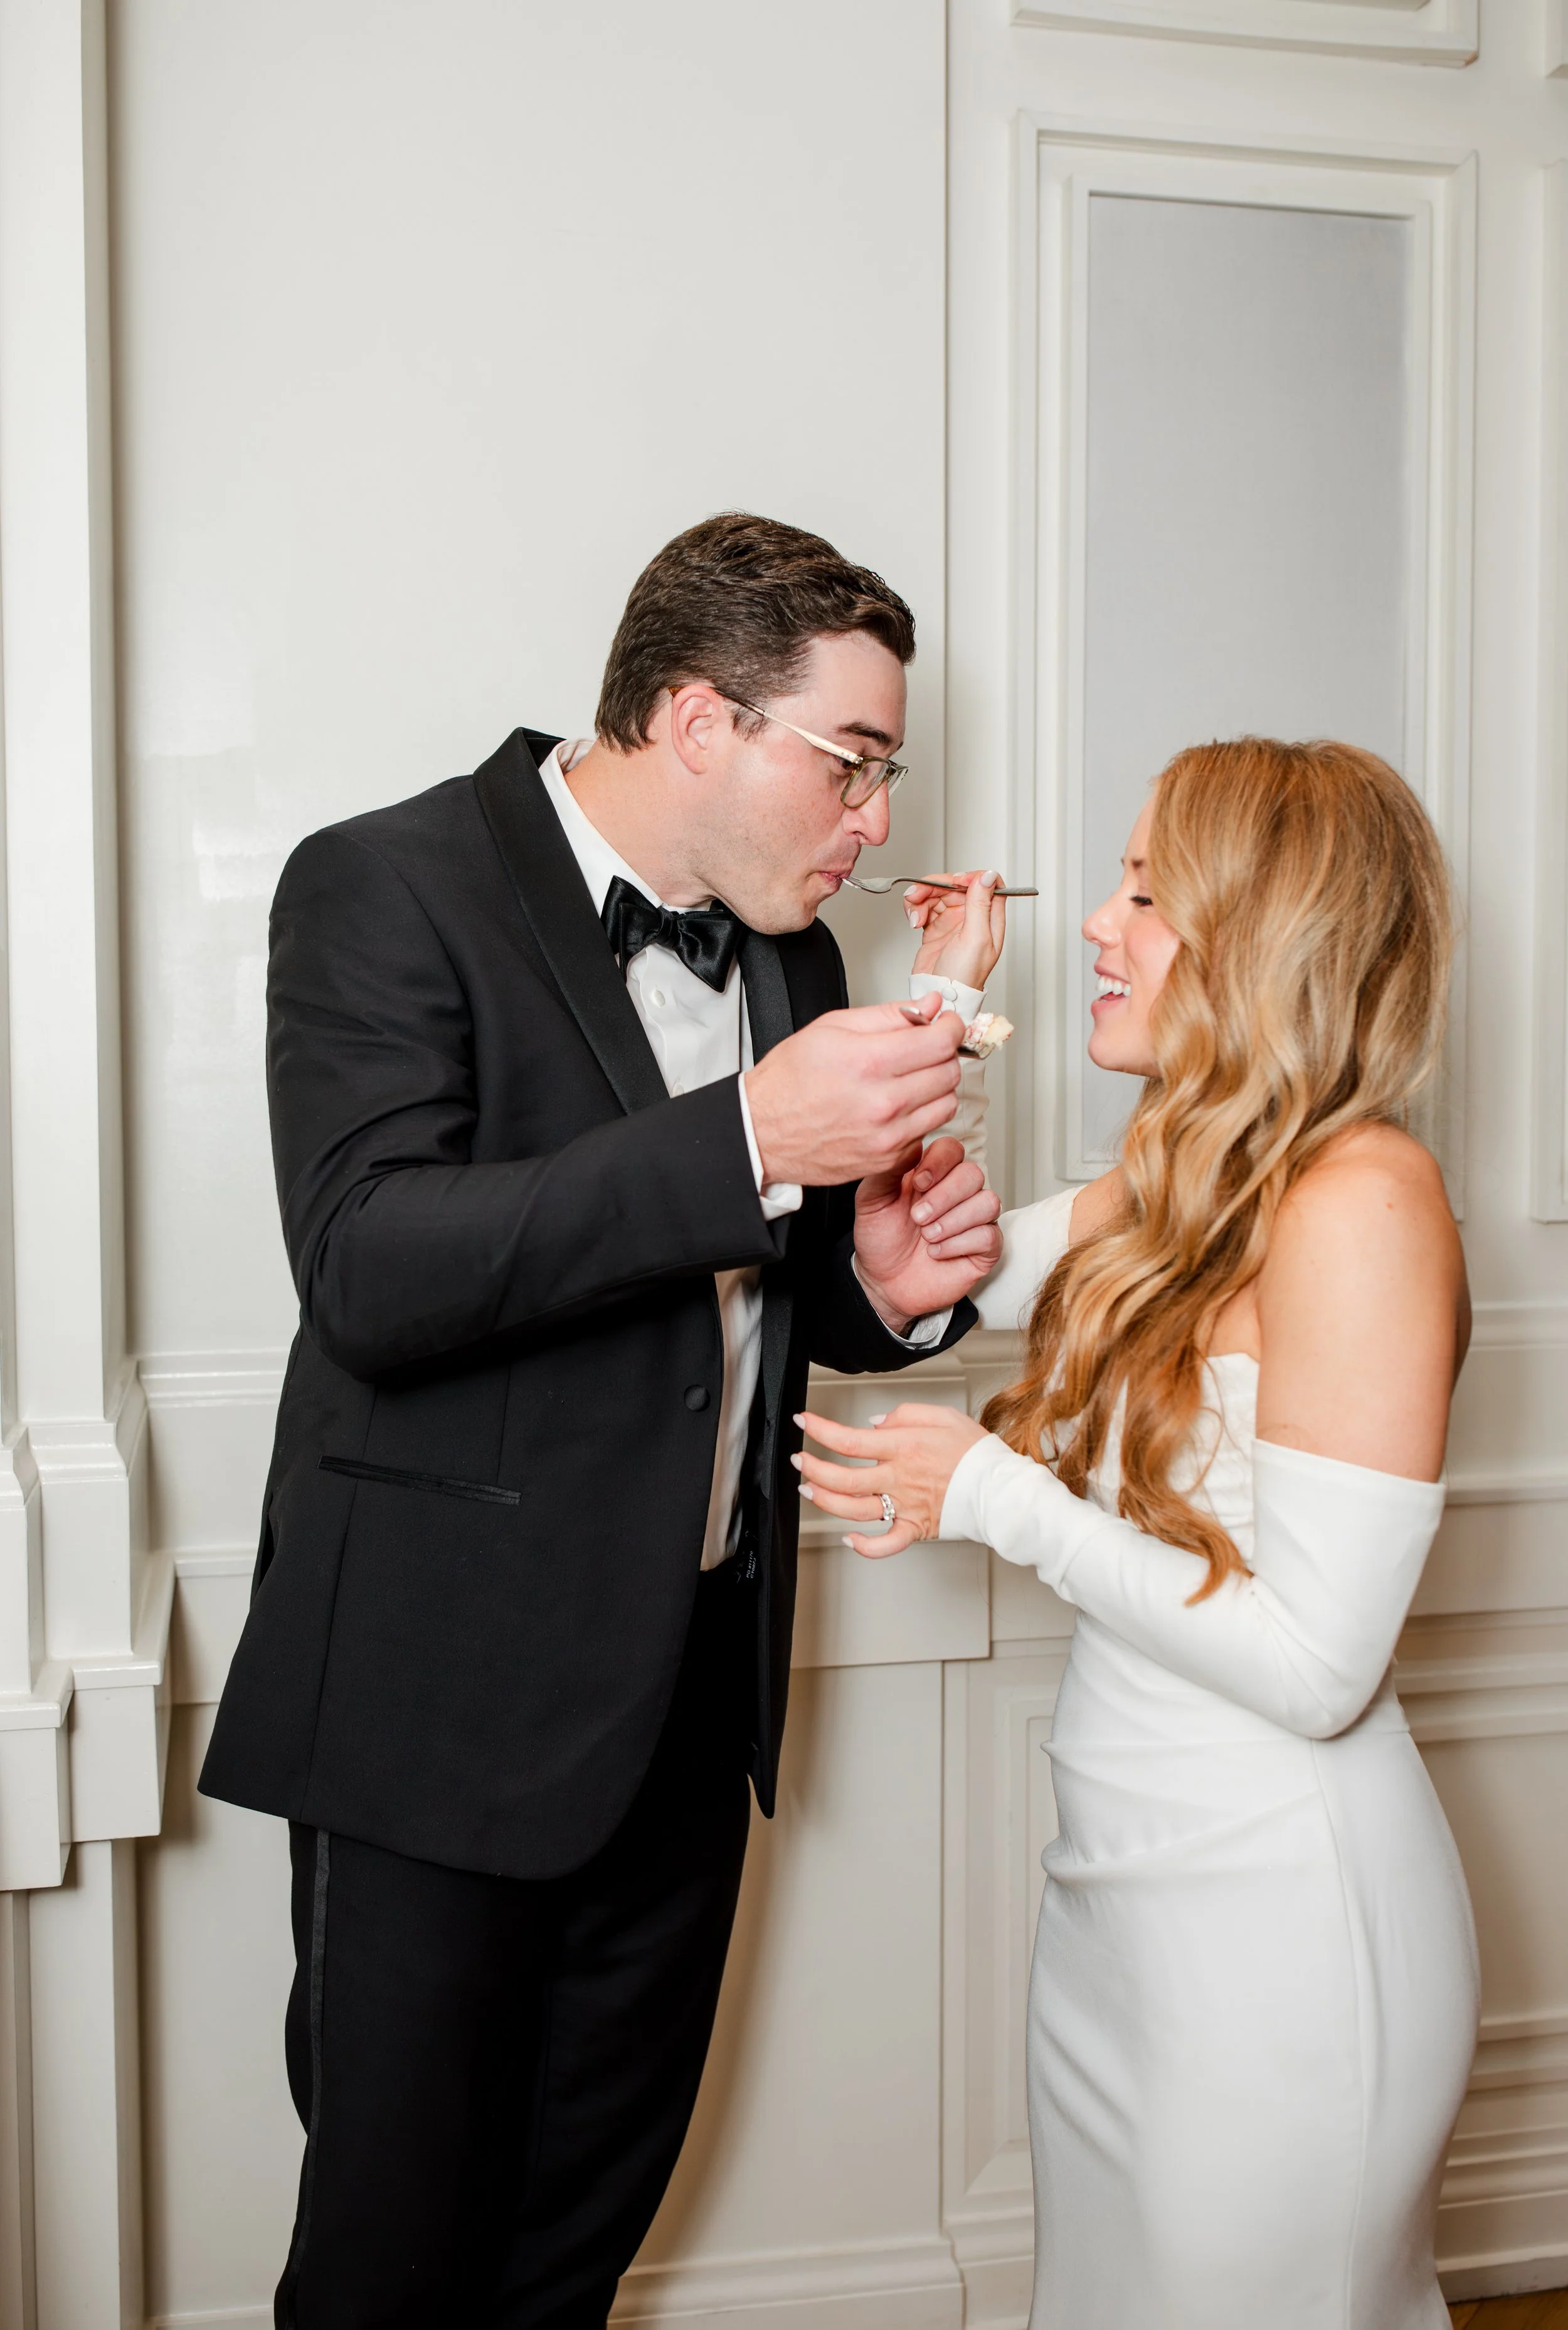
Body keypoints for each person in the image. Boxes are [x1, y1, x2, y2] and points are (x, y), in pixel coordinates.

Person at [198, 512, 1007, 2329]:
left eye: (887, 774)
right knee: (393, 2269)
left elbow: (745, 1311)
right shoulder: (382, 880)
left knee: (577, 2248)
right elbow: (370, 1266)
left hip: (687, 1707)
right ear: (701, 720)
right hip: (440, 1706)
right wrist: (751, 1138)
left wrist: (884, 1292)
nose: (876, 816)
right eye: (853, 762)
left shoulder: (792, 958)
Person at [799, 737, 1480, 2329]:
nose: (1098, 925)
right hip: (1120, 1913)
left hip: (1277, 1932)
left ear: (1269, 932)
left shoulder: (1361, 1200)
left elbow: (1317, 1668)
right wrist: (941, 1003)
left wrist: (991, 1497)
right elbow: (920, 1281)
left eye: (1146, 893)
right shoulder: (1174, 1180)